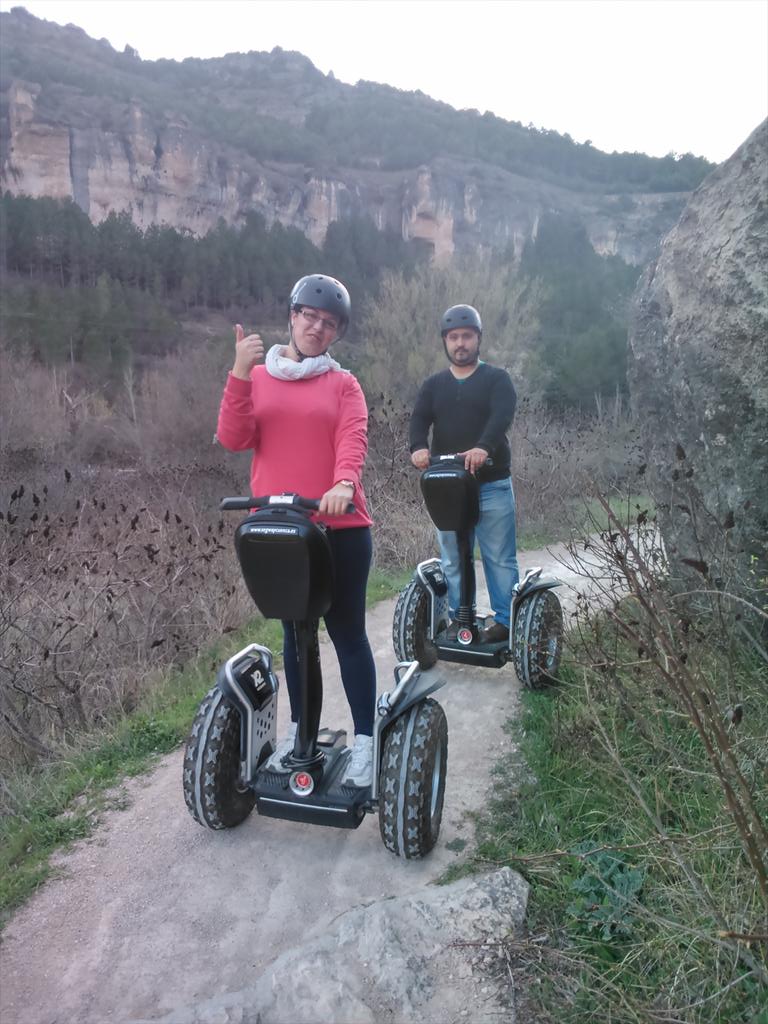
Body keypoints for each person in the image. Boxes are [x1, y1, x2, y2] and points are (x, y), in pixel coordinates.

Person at [215, 273, 376, 787]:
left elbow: (353, 437)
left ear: (336, 333)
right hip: (278, 527)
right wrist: (240, 371)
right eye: (310, 316)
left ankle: (367, 743)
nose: (317, 328)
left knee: (346, 632)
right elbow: (233, 437)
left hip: (339, 528)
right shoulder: (259, 377)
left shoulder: (344, 384)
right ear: (292, 315)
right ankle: (299, 735)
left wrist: (345, 483)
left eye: (329, 324)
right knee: (292, 632)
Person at [409, 303, 519, 643]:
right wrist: (417, 447)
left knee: (498, 558)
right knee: (453, 558)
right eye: (454, 337)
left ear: (478, 338)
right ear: (445, 341)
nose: (461, 343)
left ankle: (504, 623)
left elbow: (501, 417)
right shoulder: (434, 384)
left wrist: (483, 447)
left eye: (467, 337)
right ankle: (461, 621)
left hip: (491, 484)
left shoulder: (496, 379)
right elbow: (418, 419)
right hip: (449, 488)